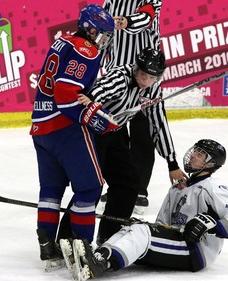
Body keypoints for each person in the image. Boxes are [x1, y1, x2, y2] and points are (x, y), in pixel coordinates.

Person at [60, 139, 228, 280]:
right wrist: (147, 227)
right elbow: (161, 225)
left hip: (196, 251)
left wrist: (209, 224)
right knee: (131, 229)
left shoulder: (213, 187)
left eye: (201, 154)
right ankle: (97, 257)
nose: (194, 155)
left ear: (211, 164)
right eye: (195, 151)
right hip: (178, 242)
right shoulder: (177, 189)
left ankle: (101, 265)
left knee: (141, 232)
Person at [29, 4, 116, 271]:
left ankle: (48, 246)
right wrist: (96, 117)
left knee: (51, 190)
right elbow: (66, 97)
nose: (102, 40)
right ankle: (82, 249)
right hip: (64, 127)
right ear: (89, 29)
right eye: (100, 33)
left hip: (40, 126)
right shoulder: (86, 50)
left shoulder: (63, 41)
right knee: (90, 188)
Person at [78, 47, 187, 246]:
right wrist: (93, 99)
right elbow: (103, 88)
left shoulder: (153, 88)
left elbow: (158, 123)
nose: (146, 81)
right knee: (91, 186)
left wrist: (172, 162)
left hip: (116, 134)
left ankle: (109, 237)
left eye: (151, 78)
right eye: (143, 75)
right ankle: (73, 238)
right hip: (93, 133)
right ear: (136, 68)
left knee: (128, 184)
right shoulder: (121, 76)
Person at [99, 0, 164, 214]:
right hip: (118, 78)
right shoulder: (111, 2)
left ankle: (140, 190)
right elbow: (105, 39)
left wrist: (125, 21)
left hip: (144, 75)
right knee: (116, 137)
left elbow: (144, 20)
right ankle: (119, 184)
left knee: (143, 134)